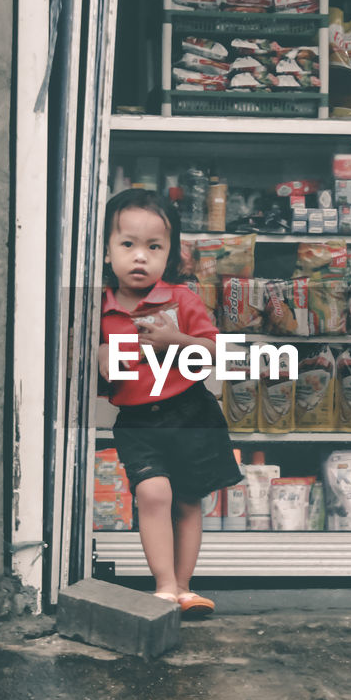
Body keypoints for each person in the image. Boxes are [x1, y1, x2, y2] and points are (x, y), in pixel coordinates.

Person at [99, 188, 242, 618]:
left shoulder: (181, 300)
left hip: (191, 412)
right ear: (107, 252)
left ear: (169, 257)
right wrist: (113, 355)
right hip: (139, 421)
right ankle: (163, 587)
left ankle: (183, 588)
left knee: (187, 499)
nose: (140, 257)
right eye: (128, 244)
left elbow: (222, 352)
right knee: (154, 492)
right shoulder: (97, 310)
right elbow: (99, 371)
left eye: (153, 247)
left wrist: (173, 340)